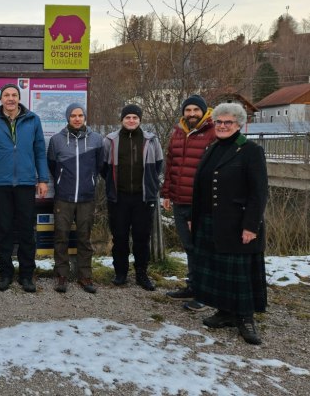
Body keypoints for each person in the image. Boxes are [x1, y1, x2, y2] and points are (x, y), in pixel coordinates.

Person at [190, 102, 268, 345]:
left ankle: (245, 318)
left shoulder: (250, 151)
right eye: (219, 122)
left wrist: (251, 226)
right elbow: (201, 188)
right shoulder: (212, 148)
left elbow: (259, 192)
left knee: (240, 273)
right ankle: (225, 311)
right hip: (211, 220)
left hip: (238, 223)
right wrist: (194, 216)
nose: (222, 126)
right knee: (219, 270)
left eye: (228, 122)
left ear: (239, 125)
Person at [0, 83, 49, 293]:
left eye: (14, 95)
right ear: (1, 99)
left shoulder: (32, 120)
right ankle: (5, 273)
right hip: (0, 185)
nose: (10, 98)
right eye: (7, 95)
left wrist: (43, 179)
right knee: (4, 230)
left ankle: (27, 275)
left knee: (27, 231)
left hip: (26, 184)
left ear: (19, 98)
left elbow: (39, 151)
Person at [161, 94, 217, 312]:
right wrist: (166, 193)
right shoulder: (178, 132)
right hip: (179, 200)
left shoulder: (212, 132)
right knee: (189, 247)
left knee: (202, 248)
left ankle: (205, 293)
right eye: (188, 110)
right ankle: (193, 286)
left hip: (200, 203)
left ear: (203, 111)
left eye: (196, 110)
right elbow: (171, 165)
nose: (192, 114)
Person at [102, 104, 163, 291]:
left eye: (135, 118)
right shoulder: (110, 140)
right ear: (122, 119)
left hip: (143, 198)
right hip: (118, 198)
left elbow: (159, 166)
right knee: (119, 237)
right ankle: (120, 273)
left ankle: (141, 274)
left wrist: (151, 185)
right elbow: (104, 168)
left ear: (140, 120)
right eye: (127, 117)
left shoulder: (151, 140)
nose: (131, 121)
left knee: (141, 238)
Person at [46, 102, 103, 294]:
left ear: (85, 117)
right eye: (73, 116)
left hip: (87, 197)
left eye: (80, 115)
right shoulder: (57, 140)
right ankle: (61, 274)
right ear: (68, 118)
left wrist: (91, 183)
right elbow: (53, 166)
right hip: (64, 197)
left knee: (84, 238)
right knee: (61, 236)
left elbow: (99, 166)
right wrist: (63, 182)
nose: (77, 119)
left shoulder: (96, 139)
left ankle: (84, 275)